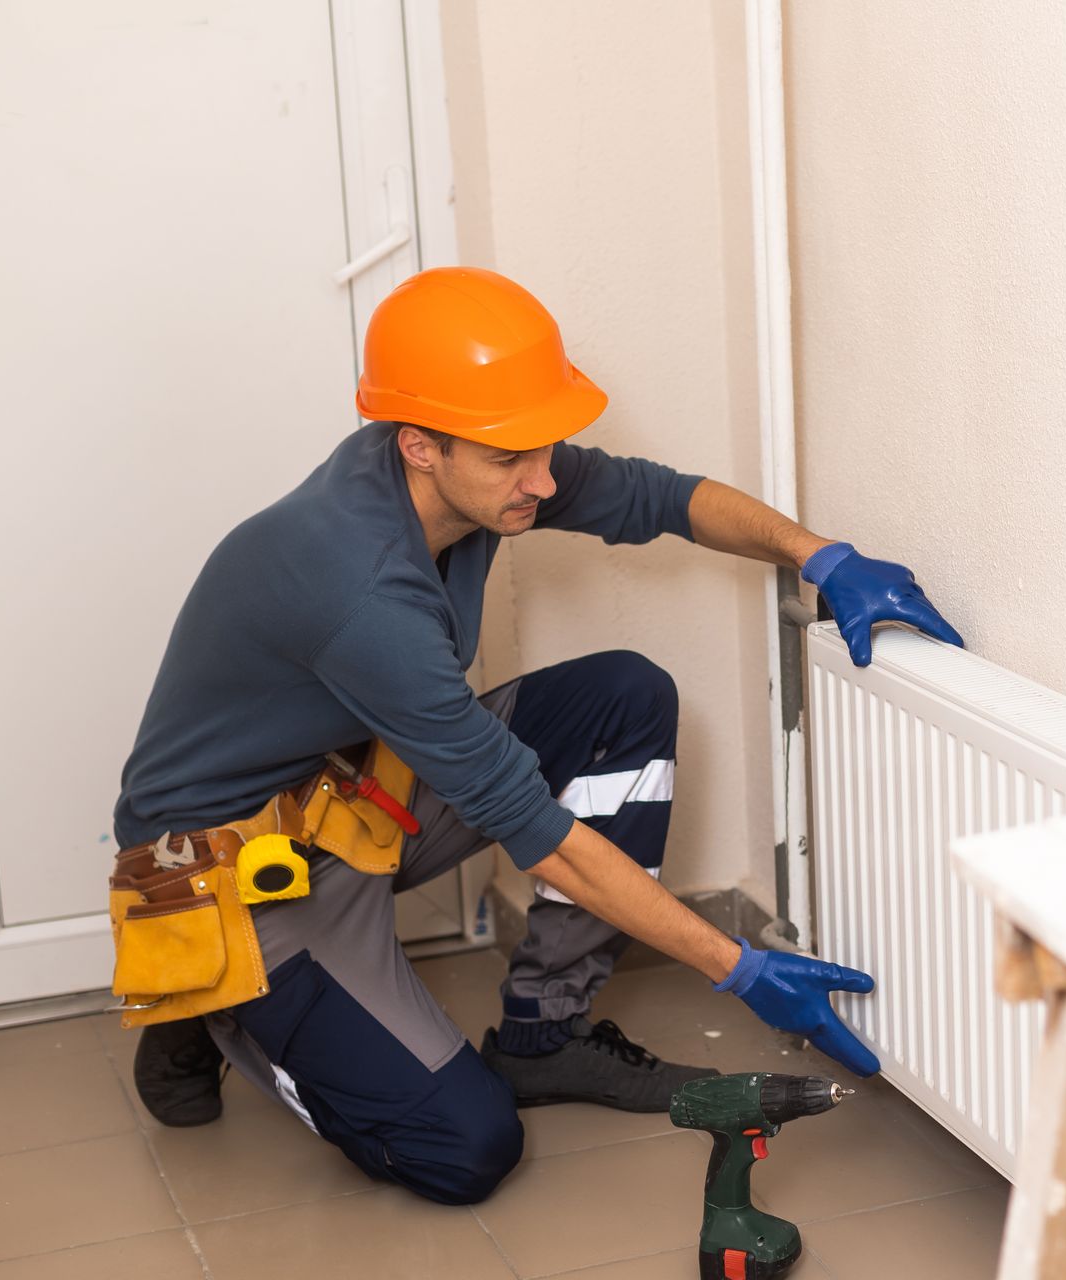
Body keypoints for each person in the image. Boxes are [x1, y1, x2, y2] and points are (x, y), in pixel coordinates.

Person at [108, 266, 964, 1205]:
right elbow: (537, 835)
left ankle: (545, 1037)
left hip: (353, 796)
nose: (546, 481)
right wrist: (740, 968)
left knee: (624, 698)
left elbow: (660, 498)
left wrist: (821, 556)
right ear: (420, 446)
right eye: (515, 459)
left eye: (545, 449)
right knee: (465, 1150)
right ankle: (212, 1000)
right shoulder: (357, 590)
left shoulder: (467, 469)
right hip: (237, 873)